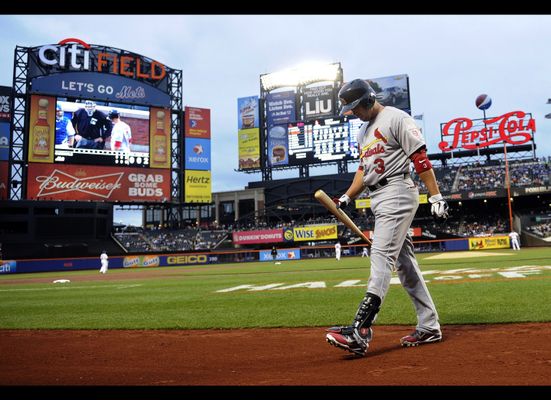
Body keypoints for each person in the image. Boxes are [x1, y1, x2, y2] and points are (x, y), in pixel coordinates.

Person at [325, 78, 449, 357]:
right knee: (405, 265)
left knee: (381, 255)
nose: (353, 113)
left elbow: (420, 157)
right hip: (377, 196)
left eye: (356, 108)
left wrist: (435, 196)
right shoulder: (362, 133)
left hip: (397, 189)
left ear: (369, 100)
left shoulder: (396, 118)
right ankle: (429, 326)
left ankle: (360, 329)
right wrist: (347, 197)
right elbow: (363, 170)